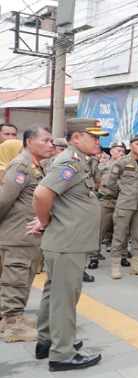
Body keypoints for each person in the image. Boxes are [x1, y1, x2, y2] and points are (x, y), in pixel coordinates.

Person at [27, 117, 106, 371]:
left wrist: (47, 219)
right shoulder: (69, 162)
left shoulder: (80, 160)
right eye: (93, 136)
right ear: (76, 137)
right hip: (68, 242)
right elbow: (42, 193)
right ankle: (62, 354)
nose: (98, 141)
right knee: (65, 298)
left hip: (68, 240)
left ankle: (47, 341)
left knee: (54, 293)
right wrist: (44, 220)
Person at [0, 125, 53, 342]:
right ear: (30, 142)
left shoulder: (34, 165)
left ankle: (10, 317)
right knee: (16, 279)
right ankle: (14, 326)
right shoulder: (21, 165)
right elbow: (4, 200)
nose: (50, 145)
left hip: (27, 235)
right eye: (45, 140)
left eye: (51, 141)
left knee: (22, 278)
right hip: (18, 235)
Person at [107, 134, 138, 279]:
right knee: (119, 235)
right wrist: (123, 192)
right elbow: (111, 183)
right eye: (137, 144)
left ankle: (136, 265)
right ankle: (115, 266)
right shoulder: (121, 162)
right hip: (124, 204)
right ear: (130, 145)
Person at [88, 141, 126, 269]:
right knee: (100, 231)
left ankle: (122, 256)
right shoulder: (102, 167)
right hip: (105, 202)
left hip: (121, 201)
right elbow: (93, 183)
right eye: (118, 151)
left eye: (123, 151)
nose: (121, 153)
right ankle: (94, 257)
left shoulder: (127, 167)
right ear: (111, 152)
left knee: (122, 231)